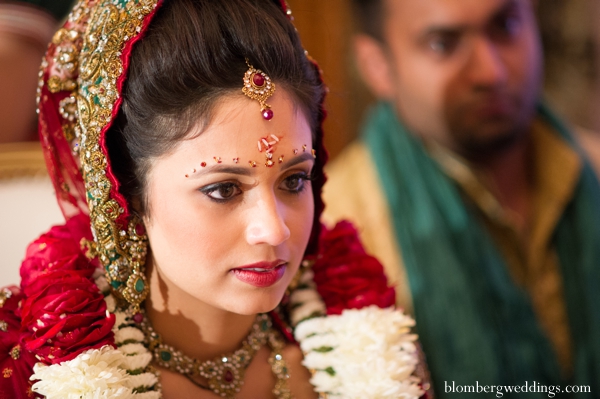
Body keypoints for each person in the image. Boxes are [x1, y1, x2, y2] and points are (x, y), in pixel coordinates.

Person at [0, 0, 428, 398]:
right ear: (125, 190)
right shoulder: (31, 369)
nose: (274, 228)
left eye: (294, 180)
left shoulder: (366, 339)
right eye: (223, 189)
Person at [323, 0, 600, 396]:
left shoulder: (591, 167)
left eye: (505, 26)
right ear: (377, 66)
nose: (491, 71)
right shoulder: (335, 233)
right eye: (443, 44)